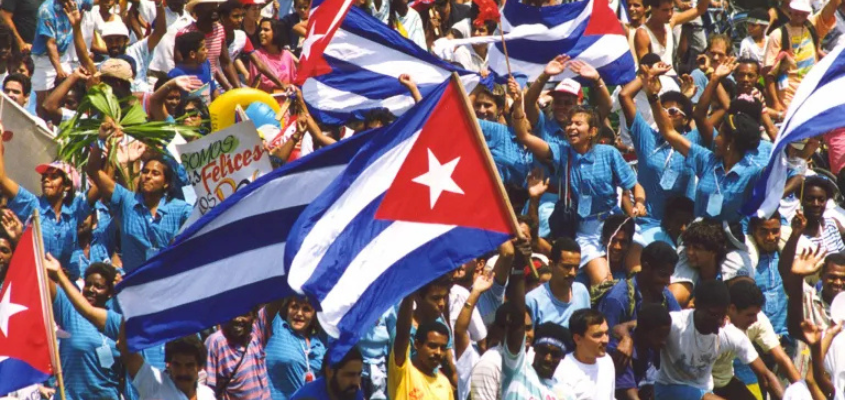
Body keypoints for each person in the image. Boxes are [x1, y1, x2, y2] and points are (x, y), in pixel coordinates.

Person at [513, 79, 642, 285]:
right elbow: (524, 136)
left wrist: (640, 203)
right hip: (586, 231)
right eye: (569, 124)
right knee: (604, 284)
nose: (571, 127)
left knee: (639, 274)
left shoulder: (608, 153)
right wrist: (519, 104)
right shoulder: (562, 153)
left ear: (592, 131)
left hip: (615, 223)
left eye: (578, 123)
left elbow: (634, 185)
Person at [646, 63, 764, 224]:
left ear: (731, 142)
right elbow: (669, 133)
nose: (715, 139)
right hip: (698, 234)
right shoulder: (707, 160)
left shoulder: (751, 173)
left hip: (732, 236)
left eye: (720, 135)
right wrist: (653, 97)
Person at [87, 127, 192, 273]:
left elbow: (205, 219)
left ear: (166, 183)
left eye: (155, 173)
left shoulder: (180, 209)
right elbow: (93, 171)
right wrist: (101, 140)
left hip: (168, 281)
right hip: (135, 283)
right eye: (145, 172)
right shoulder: (126, 201)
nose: (148, 176)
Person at [618, 66, 701, 230]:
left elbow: (704, 117)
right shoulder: (646, 137)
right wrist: (646, 76)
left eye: (672, 111)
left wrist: (713, 79)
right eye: (662, 110)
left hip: (683, 226)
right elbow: (624, 96)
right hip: (649, 223)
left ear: (685, 120)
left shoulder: (692, 140)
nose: (666, 114)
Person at [655, 280, 761, 400]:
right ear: (696, 306)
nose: (720, 321)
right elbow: (643, 329)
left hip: (704, 391)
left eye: (723, 315)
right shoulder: (675, 324)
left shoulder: (728, 333)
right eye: (713, 314)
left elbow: (766, 376)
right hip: (669, 388)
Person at [501, 238, 574, 400]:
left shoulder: (566, 393)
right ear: (535, 349)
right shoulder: (517, 371)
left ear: (562, 357)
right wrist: (518, 268)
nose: (548, 358)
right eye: (543, 351)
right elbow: (518, 321)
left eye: (555, 354)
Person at [42, 256, 124, 400]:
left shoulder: (117, 322)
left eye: (98, 286)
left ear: (110, 293)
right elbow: (46, 285)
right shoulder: (70, 311)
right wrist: (42, 264)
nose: (91, 289)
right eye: (88, 284)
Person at [598, 242, 681, 380]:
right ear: (646, 267)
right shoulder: (618, 298)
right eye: (662, 274)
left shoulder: (664, 294)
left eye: (669, 275)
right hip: (623, 372)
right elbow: (606, 341)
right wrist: (626, 338)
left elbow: (679, 323)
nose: (667, 281)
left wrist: (627, 327)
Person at [0, 149, 89, 269]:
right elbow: (2, 180)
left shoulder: (73, 212)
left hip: (63, 279)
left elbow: (100, 185)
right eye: (44, 177)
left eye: (54, 177)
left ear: (67, 186)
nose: (46, 180)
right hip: (34, 275)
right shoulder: (33, 204)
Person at [712, 279, 796, 400]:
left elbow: (770, 371)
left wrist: (804, 392)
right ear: (732, 309)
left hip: (726, 381)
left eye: (757, 314)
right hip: (697, 386)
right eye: (750, 315)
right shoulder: (713, 331)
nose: (755, 320)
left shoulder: (757, 321)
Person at [764, 0, 840, 112]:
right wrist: (775, 102)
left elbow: (830, 8)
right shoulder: (778, 34)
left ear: (808, 13)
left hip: (811, 92)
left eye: (803, 12)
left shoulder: (812, 27)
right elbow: (768, 72)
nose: (799, 15)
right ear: (790, 10)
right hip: (788, 95)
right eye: (796, 12)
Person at [30, 0, 92, 119]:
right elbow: (50, 44)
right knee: (43, 104)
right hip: (44, 59)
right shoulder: (46, 10)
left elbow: (91, 3)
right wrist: (58, 69)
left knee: (70, 91)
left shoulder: (77, 2)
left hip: (64, 54)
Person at [118, 327, 216, 400]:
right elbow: (126, 349)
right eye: (177, 365)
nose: (183, 372)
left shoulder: (207, 395)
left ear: (200, 366)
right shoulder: (155, 384)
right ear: (168, 364)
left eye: (189, 365)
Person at [389, 295, 453, 400]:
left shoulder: (444, 384)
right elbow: (402, 334)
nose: (438, 352)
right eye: (432, 346)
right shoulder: (404, 372)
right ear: (417, 344)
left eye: (443, 348)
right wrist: (409, 296)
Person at [265, 296, 326, 400]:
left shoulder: (320, 346)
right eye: (294, 307)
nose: (299, 313)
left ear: (314, 315)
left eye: (306, 309)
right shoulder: (276, 327)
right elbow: (274, 296)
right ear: (286, 309)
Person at [610, 303, 674, 400]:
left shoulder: (651, 347)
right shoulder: (622, 350)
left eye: (665, 336)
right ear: (642, 331)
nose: (663, 342)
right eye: (659, 336)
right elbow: (627, 392)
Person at [205, 308, 271, 399]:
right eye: (233, 313)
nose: (237, 319)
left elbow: (277, 302)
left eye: (243, 314)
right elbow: (208, 390)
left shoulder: (257, 332)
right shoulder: (216, 342)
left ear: (254, 316)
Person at [525, 237, 590, 328]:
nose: (572, 273)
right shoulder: (533, 300)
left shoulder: (581, 291)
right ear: (551, 265)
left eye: (576, 268)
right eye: (566, 267)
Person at [179, 0, 241, 90]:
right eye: (209, 6)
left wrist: (238, 88)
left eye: (215, 5)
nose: (214, 9)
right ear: (198, 10)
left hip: (214, 85)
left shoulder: (219, 29)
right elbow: (181, 66)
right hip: (194, 87)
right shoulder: (185, 34)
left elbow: (226, 63)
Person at [634, 0, 711, 72]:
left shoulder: (670, 23)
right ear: (653, 9)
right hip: (655, 79)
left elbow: (699, 9)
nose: (670, 14)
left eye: (672, 9)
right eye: (665, 10)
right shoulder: (642, 34)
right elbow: (645, 71)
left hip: (672, 77)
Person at [555, 309, 616, 399]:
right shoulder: (562, 370)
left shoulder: (606, 361)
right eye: (597, 335)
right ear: (578, 339)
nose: (605, 340)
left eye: (606, 333)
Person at [747, 212, 789, 337]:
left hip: (785, 337)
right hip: (756, 339)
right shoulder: (746, 262)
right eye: (763, 232)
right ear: (754, 232)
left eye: (775, 231)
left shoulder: (786, 258)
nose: (770, 237)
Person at [290, 347, 365, 400]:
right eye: (349, 375)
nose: (356, 382)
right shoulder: (306, 397)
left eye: (359, 374)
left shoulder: (353, 393)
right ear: (329, 372)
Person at [798, 176, 845, 254]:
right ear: (801, 200)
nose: (816, 204)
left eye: (821, 200)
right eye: (810, 199)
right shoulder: (796, 234)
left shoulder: (831, 225)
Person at [169, 31, 217, 105]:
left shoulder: (206, 64)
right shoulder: (176, 74)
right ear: (192, 54)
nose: (207, 51)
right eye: (203, 49)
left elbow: (213, 90)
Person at [250, 18, 296, 92]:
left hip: (286, 98)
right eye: (260, 30)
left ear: (276, 32)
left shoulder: (287, 56)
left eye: (266, 30)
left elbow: (293, 81)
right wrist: (281, 87)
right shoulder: (256, 56)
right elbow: (257, 84)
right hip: (265, 98)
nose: (261, 33)